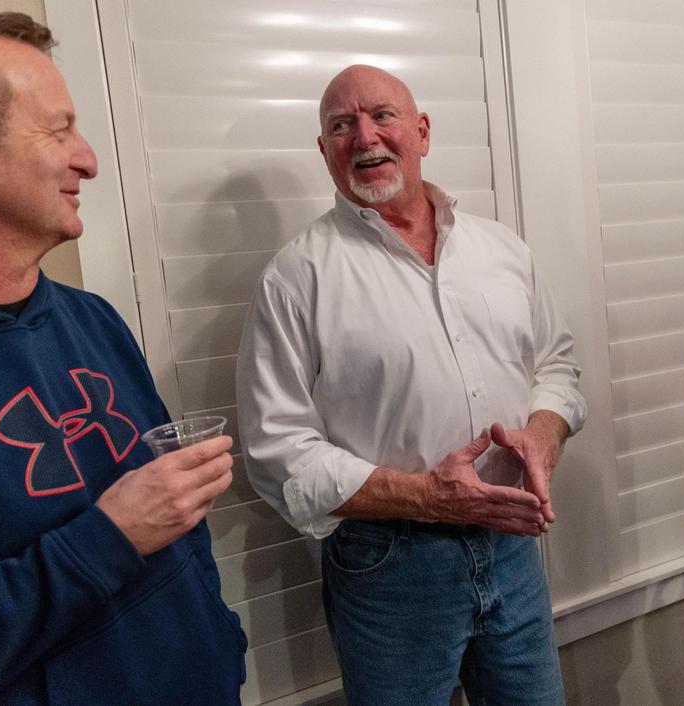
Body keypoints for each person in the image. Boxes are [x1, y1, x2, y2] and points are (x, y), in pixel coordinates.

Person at [0, 5, 245, 703]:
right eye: (59, 129)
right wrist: (104, 541)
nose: (89, 159)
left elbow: (175, 526)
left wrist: (221, 643)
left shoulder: (90, 319)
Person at [236, 64, 586, 704]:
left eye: (381, 115)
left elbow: (557, 365)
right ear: (324, 151)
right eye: (341, 125)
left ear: (421, 132)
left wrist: (544, 433)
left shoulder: (502, 250)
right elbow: (274, 451)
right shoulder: (296, 277)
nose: (364, 136)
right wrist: (424, 496)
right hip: (389, 565)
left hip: (513, 544)